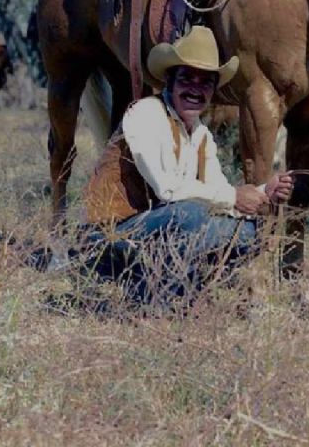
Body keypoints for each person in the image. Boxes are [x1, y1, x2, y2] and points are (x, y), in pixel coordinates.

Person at [80, 25, 293, 311]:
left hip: (155, 232)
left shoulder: (201, 135)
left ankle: (180, 293)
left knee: (248, 233)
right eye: (187, 79)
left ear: (213, 90)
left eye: (205, 82)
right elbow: (168, 189)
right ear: (169, 81)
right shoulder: (146, 113)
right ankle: (156, 302)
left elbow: (217, 192)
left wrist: (261, 193)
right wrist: (234, 197)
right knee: (189, 214)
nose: (195, 89)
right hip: (110, 237)